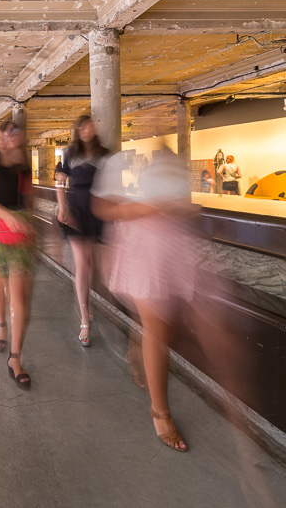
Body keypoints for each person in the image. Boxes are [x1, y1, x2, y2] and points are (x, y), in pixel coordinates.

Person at [92, 146, 196, 452]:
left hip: (169, 250)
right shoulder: (119, 161)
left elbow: (180, 203)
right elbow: (103, 208)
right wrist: (149, 208)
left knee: (155, 322)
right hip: (141, 251)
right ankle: (160, 411)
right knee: (157, 328)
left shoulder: (172, 160)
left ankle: (136, 355)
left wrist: (180, 209)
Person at [0, 122, 35, 389]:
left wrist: (29, 223)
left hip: (21, 236)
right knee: (0, 285)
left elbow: (28, 199)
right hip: (0, 234)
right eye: (5, 134)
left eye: (14, 133)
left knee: (19, 298)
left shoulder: (23, 166)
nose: (9, 138)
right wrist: (7, 216)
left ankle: (15, 358)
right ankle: (1, 323)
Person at [55, 115, 109, 347]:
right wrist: (62, 207)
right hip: (76, 209)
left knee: (93, 264)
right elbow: (60, 182)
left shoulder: (103, 153)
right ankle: (84, 321)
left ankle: (87, 302)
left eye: (91, 126)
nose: (88, 130)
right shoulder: (70, 152)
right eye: (84, 127)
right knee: (83, 264)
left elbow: (111, 183)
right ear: (79, 130)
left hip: (97, 210)